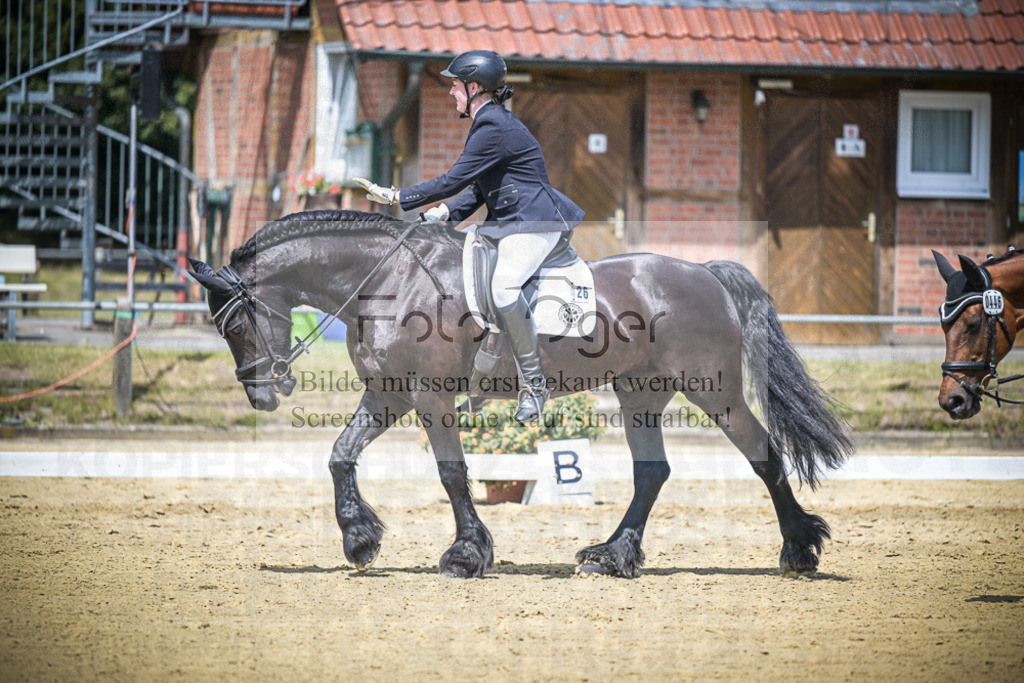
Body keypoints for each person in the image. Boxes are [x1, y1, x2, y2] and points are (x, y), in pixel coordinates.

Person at [353, 49, 584, 424]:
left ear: (474, 87)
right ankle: (485, 376)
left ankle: (535, 386)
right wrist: (446, 213)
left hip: (534, 224)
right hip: (507, 222)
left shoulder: (494, 125)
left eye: (455, 86)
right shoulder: (491, 123)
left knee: (505, 288)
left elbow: (453, 179)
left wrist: (399, 197)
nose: (451, 93)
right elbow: (480, 187)